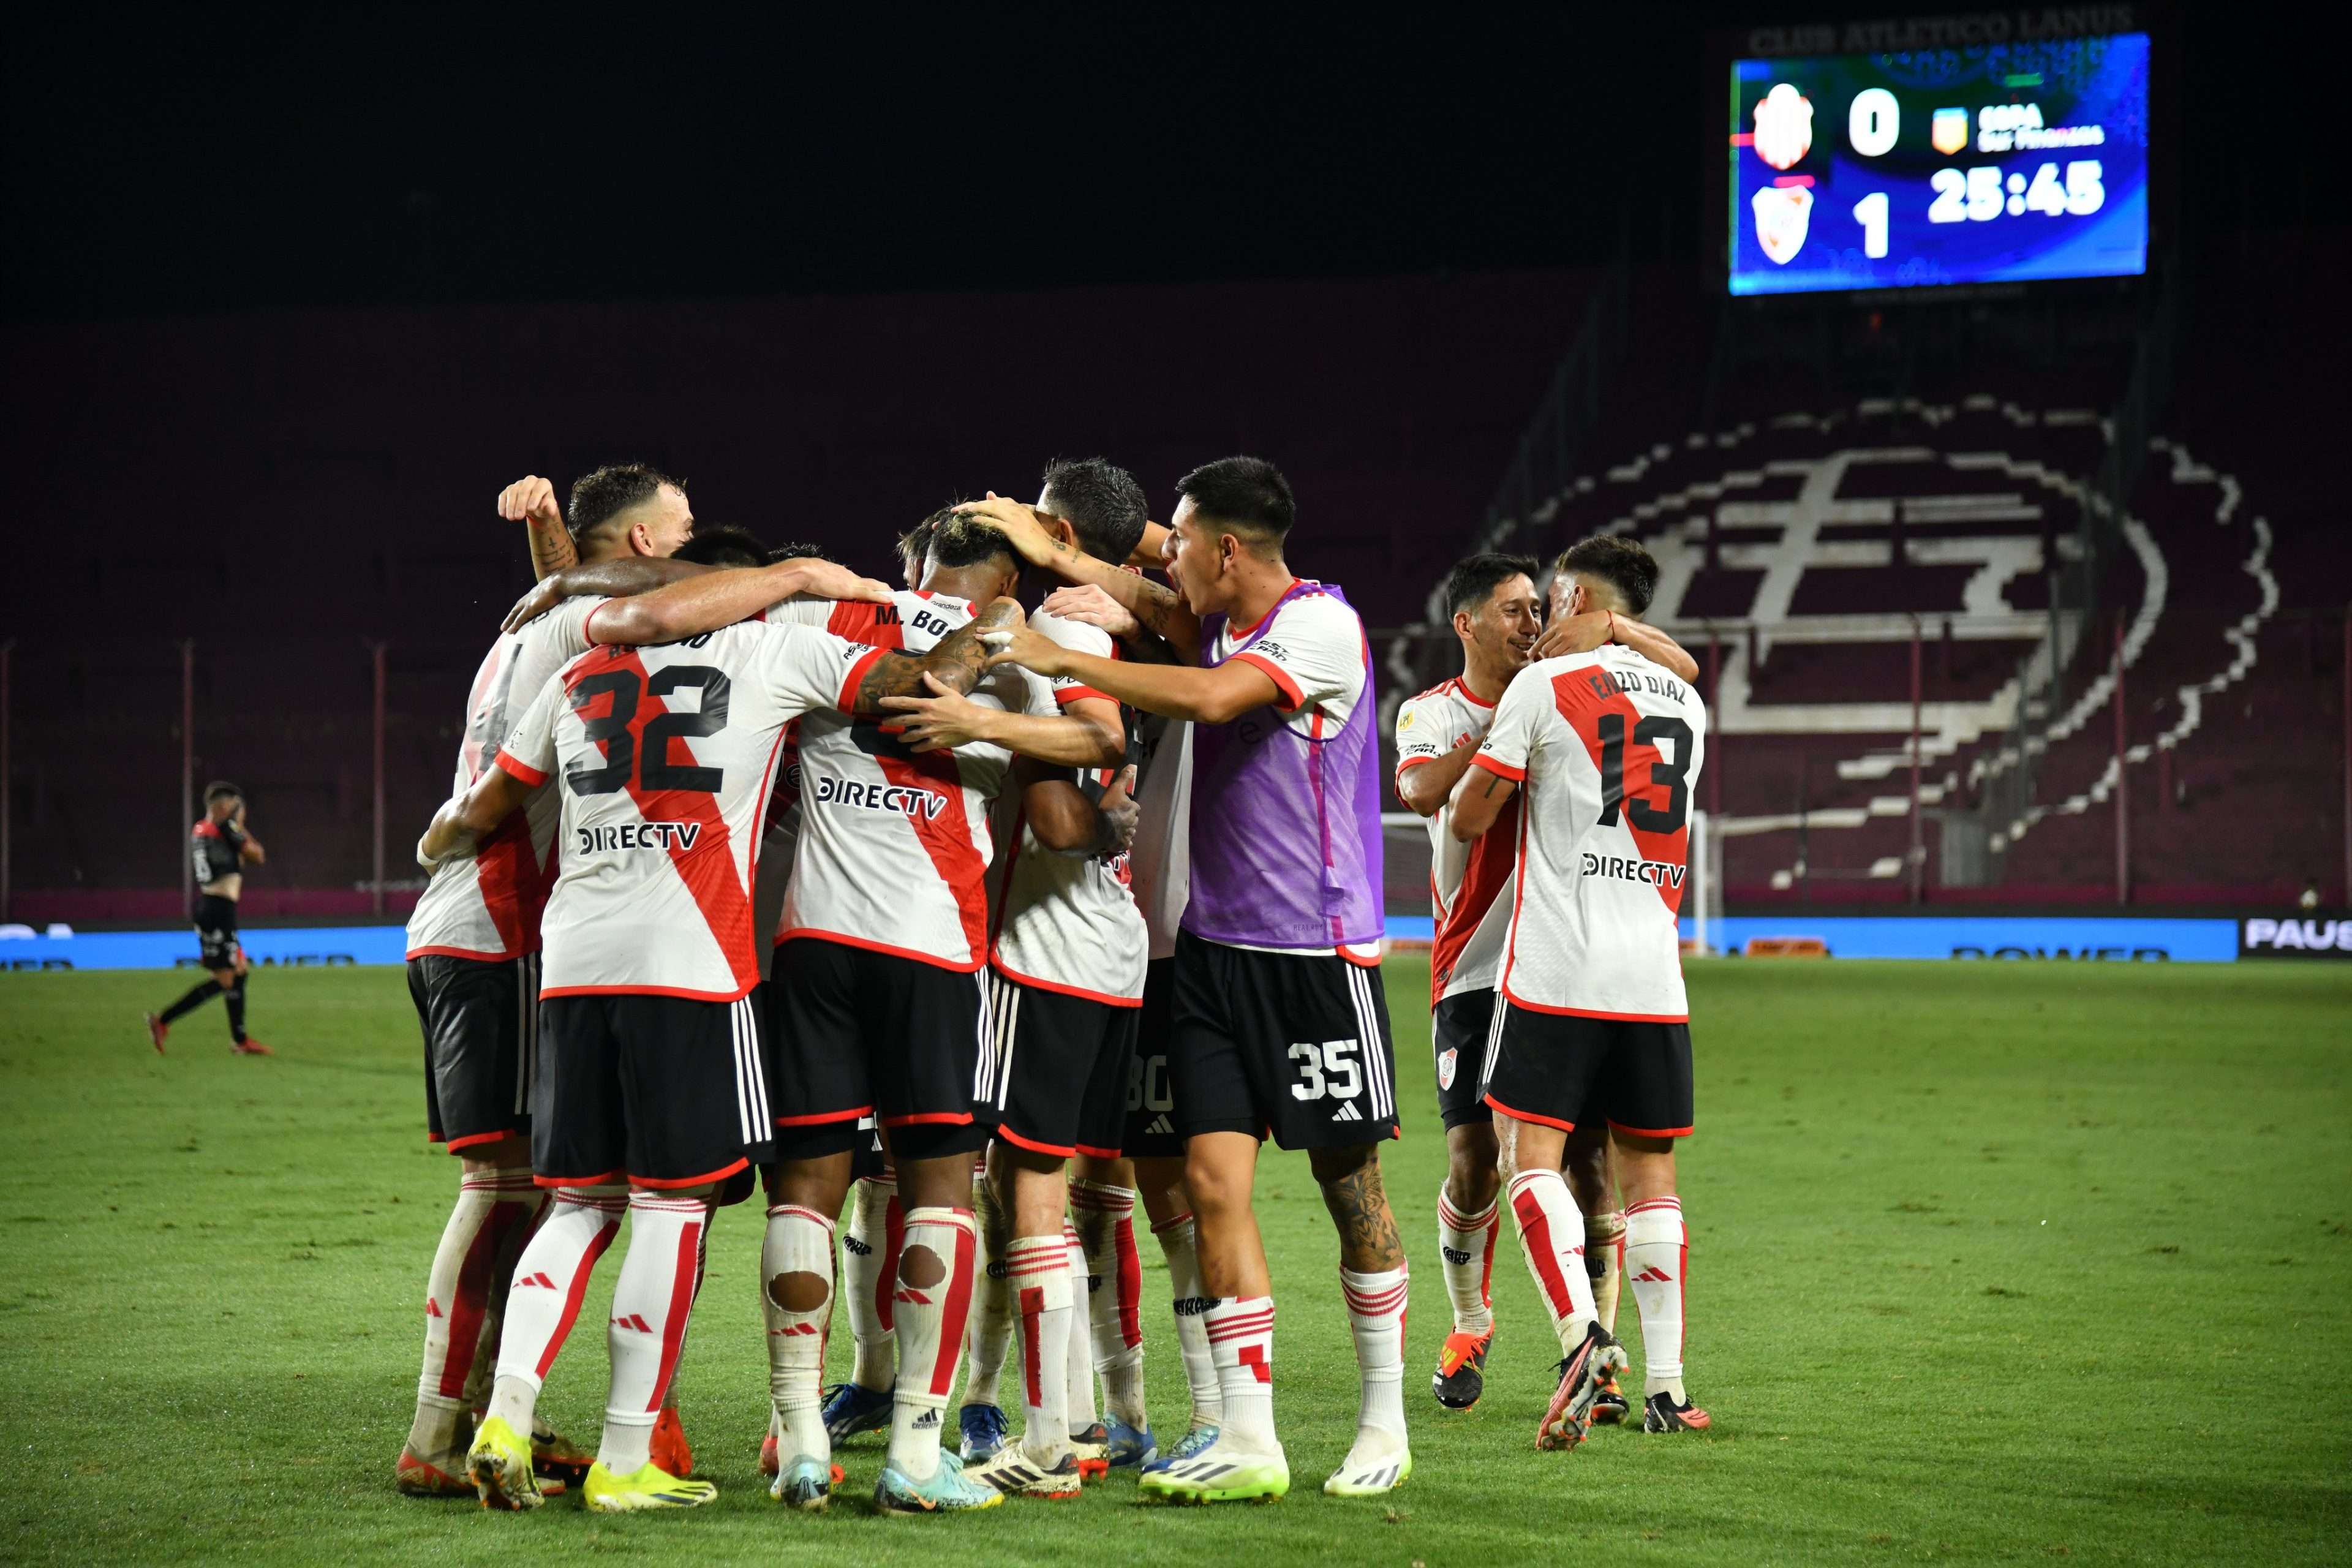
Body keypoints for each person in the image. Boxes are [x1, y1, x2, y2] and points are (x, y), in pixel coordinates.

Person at [418, 544, 1006, 1515]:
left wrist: (435, 844)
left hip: (571, 967)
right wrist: (991, 636)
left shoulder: (578, 670)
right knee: (671, 1208)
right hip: (694, 966)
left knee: (576, 1205)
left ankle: (505, 1416)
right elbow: (922, 684)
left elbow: (485, 804)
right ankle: (624, 1456)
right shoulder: (767, 654)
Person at [965, 456, 1409, 1503]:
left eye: (1180, 540)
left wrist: (1047, 652)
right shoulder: (1217, 616)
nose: (1161, 555)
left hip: (1314, 953)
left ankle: (1383, 1420)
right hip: (1208, 951)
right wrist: (1056, 554)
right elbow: (1149, 590)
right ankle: (1248, 1438)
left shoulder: (1317, 627)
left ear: (1228, 550)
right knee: (1211, 1186)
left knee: (1352, 1190)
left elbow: (1214, 700)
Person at [755, 511, 1128, 1513]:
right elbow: (1097, 739)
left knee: (808, 1190)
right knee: (939, 1196)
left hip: (813, 942)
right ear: (1006, 571)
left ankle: (797, 1438)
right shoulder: (1021, 644)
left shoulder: (824, 620)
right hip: (932, 951)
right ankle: (917, 1451)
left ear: (907, 561)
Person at [876, 458, 1159, 1488]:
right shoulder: (1107, 635)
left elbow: (1051, 810)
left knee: (1025, 1188)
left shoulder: (1026, 644)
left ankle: (1051, 1440)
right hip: (1113, 943)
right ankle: (1100, 1413)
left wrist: (978, 718)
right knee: (1093, 1187)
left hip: (1041, 950)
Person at [1395, 551, 1697, 1418]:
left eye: (1541, 609)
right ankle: (1470, 1321)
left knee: (1595, 1174)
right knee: (1474, 1163)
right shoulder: (1438, 710)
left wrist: (1604, 639)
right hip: (1475, 966)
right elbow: (1418, 791)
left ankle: (1594, 1360)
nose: (1532, 623)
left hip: (1557, 962)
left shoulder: (1577, 694)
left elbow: (1675, 666)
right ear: (1468, 625)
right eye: (1515, 611)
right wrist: (1497, 742)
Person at [146, 783, 271, 1056]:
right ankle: (163, 1021)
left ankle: (240, 1041)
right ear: (225, 807)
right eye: (237, 808)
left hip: (212, 907)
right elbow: (258, 855)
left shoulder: (201, 829)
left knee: (239, 969)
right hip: (218, 910)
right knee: (226, 979)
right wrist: (238, 824)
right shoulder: (225, 829)